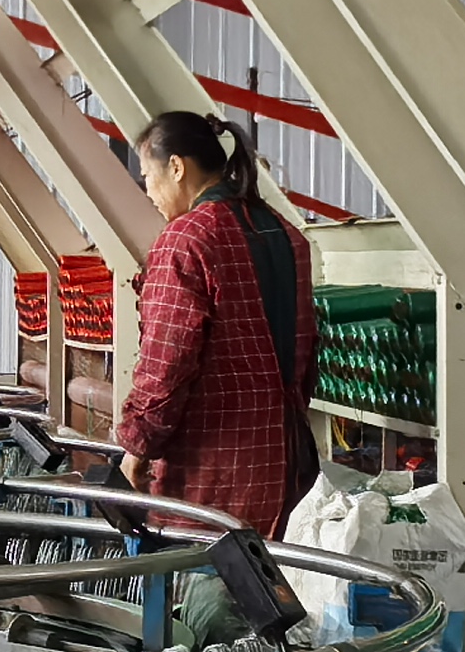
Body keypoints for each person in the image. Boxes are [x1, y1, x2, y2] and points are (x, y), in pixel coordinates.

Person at [112, 109, 317, 540]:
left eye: (147, 176)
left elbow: (166, 365)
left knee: (208, 576)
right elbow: (307, 352)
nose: (147, 191)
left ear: (176, 167)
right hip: (282, 464)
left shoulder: (185, 240)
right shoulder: (283, 232)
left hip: (210, 477)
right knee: (265, 571)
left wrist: (136, 446)